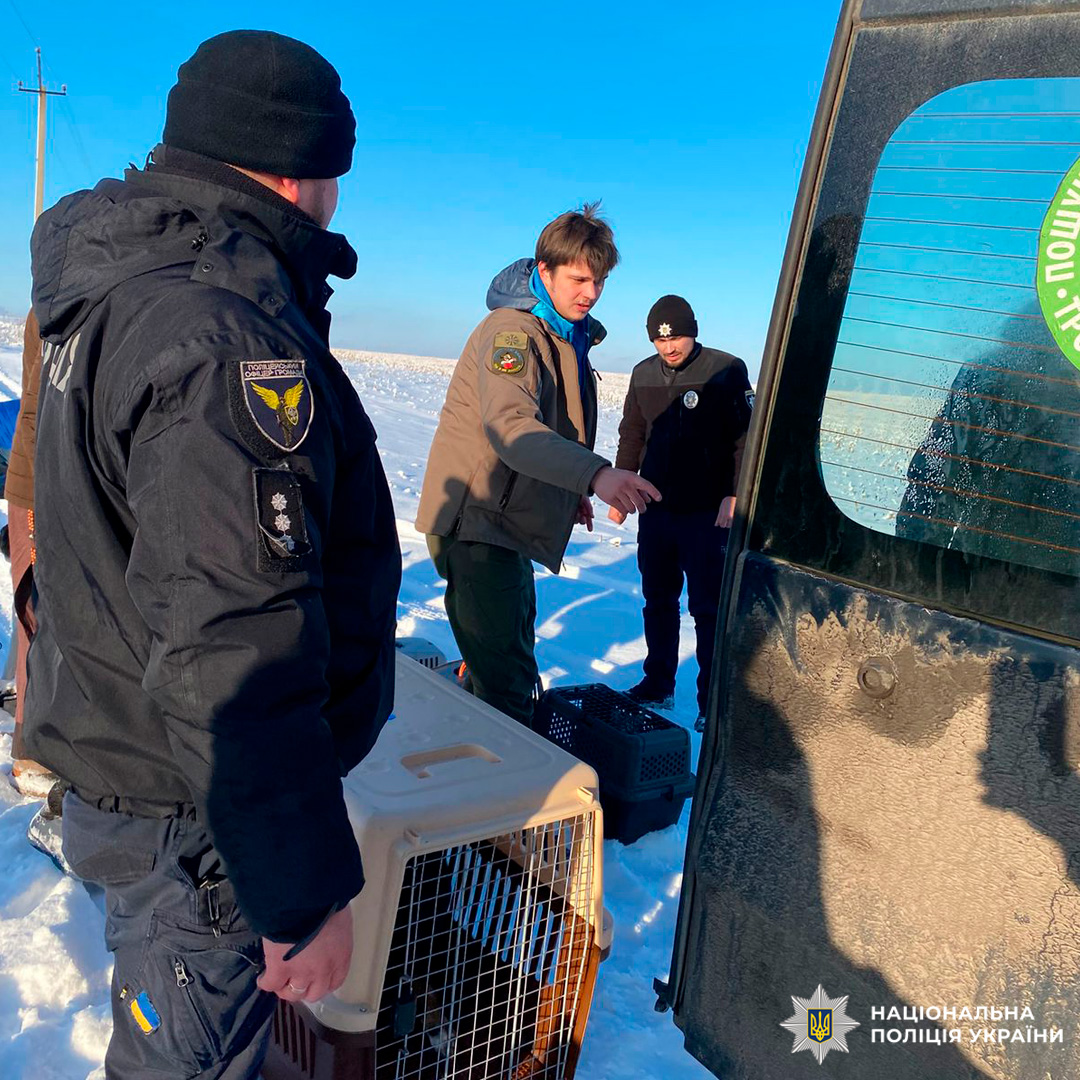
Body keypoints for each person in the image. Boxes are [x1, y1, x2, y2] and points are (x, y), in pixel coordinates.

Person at [24, 30, 400, 1079]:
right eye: (335, 174)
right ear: (299, 168)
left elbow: (92, 519)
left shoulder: (121, 284)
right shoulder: (222, 335)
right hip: (192, 824)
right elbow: (236, 640)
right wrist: (296, 896)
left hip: (148, 776)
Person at [415, 205, 660, 725]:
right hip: (477, 524)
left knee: (510, 659)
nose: (590, 292)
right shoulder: (513, 334)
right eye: (578, 278)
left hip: (508, 525)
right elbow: (512, 429)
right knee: (507, 688)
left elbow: (557, 426)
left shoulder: (567, 336)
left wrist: (568, 493)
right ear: (543, 271)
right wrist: (594, 473)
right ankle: (501, 792)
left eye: (599, 281)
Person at [610, 295, 753, 729]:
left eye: (676, 337)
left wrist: (736, 494)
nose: (668, 347)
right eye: (659, 339)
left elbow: (745, 438)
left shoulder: (726, 369)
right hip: (656, 508)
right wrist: (621, 484)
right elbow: (632, 433)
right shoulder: (642, 373)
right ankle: (658, 685)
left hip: (708, 513)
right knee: (658, 600)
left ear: (693, 330)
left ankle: (712, 702)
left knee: (707, 608)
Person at [5, 308, 57, 797]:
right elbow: (38, 407)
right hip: (39, 483)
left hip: (64, 483)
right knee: (37, 615)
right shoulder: (55, 301)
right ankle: (31, 751)